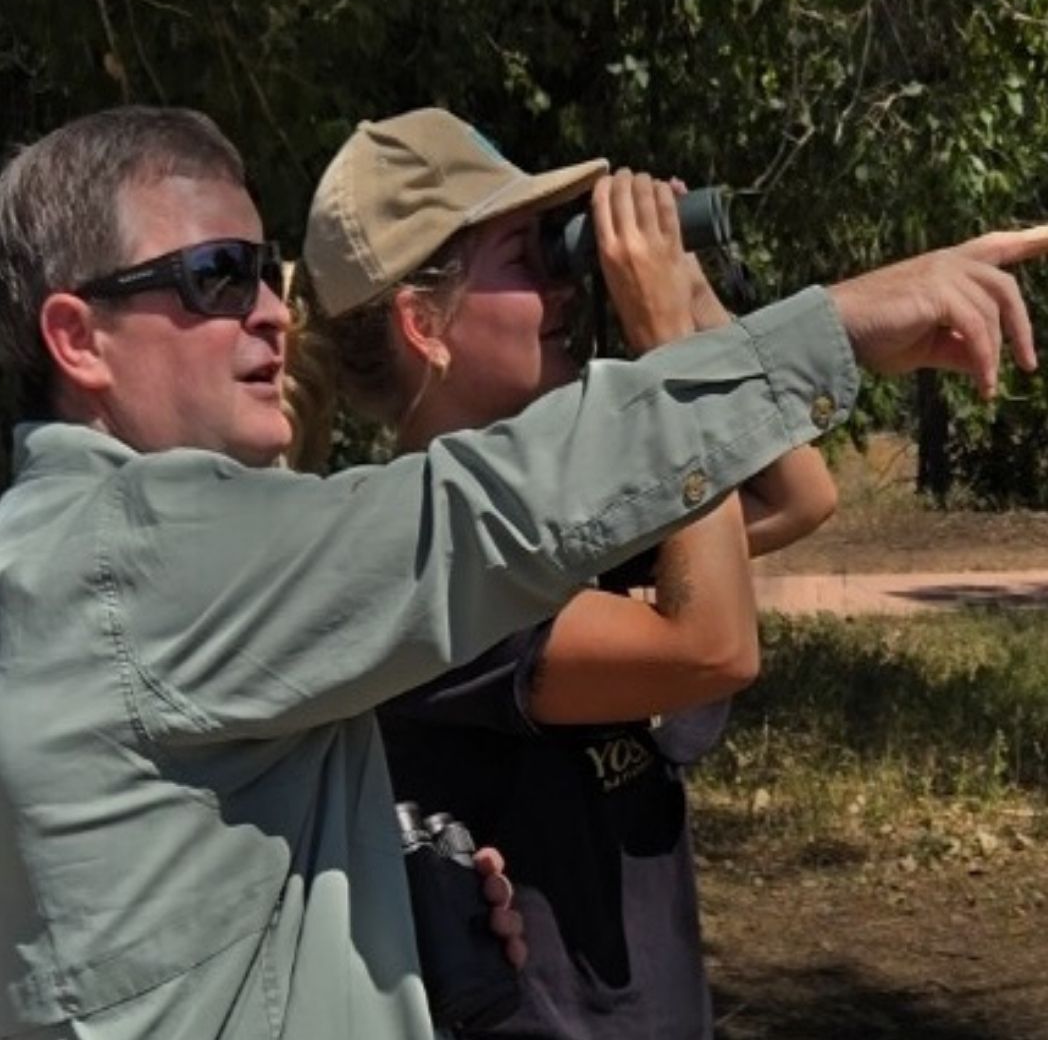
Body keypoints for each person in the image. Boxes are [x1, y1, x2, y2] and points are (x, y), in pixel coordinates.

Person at [0, 104, 1042, 1040]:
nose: (267, 309)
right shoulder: (145, 554)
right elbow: (527, 532)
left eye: (264, 271)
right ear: (79, 338)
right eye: (215, 275)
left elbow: (791, 498)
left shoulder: (66, 560)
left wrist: (371, 902)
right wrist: (820, 327)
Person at [288, 107, 842, 1039]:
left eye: (562, 252)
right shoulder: (424, 556)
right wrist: (668, 342)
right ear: (425, 323)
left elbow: (792, 493)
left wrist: (693, 295)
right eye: (527, 258)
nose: (566, 288)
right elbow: (710, 649)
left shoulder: (551, 508)